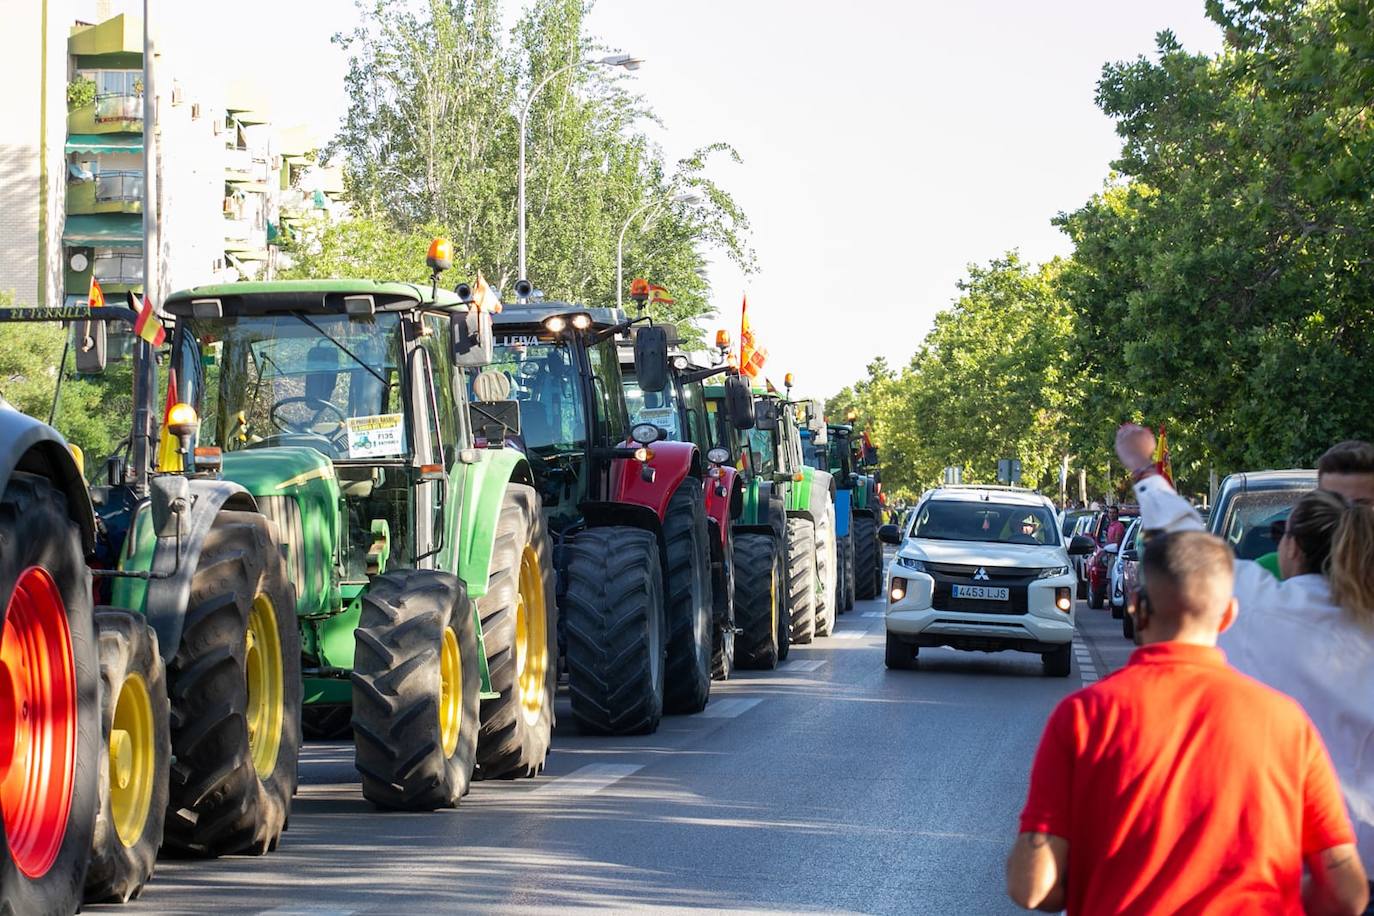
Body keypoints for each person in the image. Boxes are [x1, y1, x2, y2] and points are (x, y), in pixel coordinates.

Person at [1006, 527, 1367, 914]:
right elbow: (1347, 892)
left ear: (1137, 607)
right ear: (1228, 615)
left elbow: (1032, 886)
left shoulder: (1085, 716)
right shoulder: (1286, 722)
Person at [1117, 423, 1374, 907]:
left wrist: (1143, 467)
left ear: (1293, 546)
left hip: (1271, 865)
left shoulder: (1254, 602)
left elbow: (1184, 538)